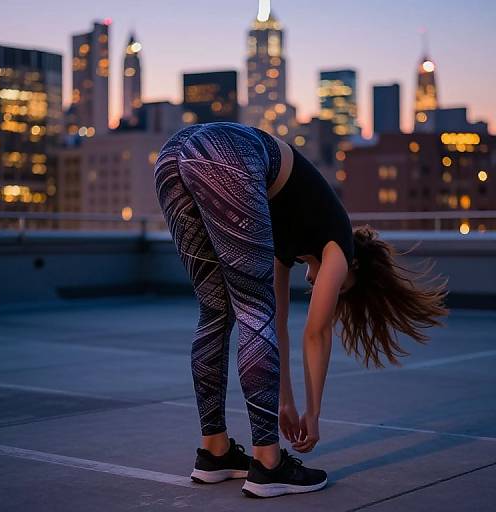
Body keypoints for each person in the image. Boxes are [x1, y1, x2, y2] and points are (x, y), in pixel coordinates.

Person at [153, 121, 449, 499]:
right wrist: (314, 414)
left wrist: (285, 403)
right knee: (251, 311)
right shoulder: (340, 244)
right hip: (226, 154)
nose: (323, 286)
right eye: (341, 287)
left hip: (174, 155)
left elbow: (278, 323)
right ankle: (269, 465)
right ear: (353, 269)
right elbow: (316, 331)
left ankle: (215, 452)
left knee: (218, 312)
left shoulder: (286, 239)